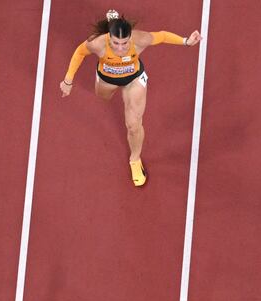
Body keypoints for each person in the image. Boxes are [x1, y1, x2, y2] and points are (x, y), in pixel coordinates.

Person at [60, 9, 201, 186]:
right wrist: (68, 80)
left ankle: (135, 160)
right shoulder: (97, 44)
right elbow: (80, 52)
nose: (120, 49)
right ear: (109, 38)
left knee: (133, 125)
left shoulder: (140, 39)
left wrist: (186, 41)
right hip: (107, 80)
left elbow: (163, 36)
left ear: (130, 38)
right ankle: (113, 21)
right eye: (115, 43)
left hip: (133, 80)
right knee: (103, 98)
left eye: (124, 43)